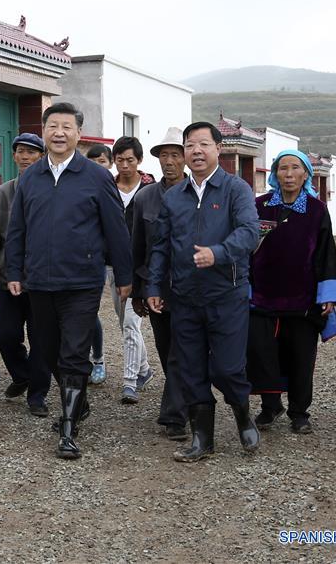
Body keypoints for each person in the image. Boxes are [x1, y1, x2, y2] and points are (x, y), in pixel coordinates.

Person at [5, 102, 133, 459]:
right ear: (44, 131)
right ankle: (79, 402)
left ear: (78, 134)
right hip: (40, 282)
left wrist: (125, 276)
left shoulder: (96, 177)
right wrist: (13, 271)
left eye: (66, 127)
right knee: (47, 350)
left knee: (74, 351)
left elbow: (116, 230)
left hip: (81, 282)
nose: (59, 133)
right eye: (52, 126)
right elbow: (17, 230)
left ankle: (68, 426)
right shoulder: (30, 177)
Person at [147, 121, 260, 462]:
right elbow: (160, 246)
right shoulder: (173, 197)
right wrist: (154, 285)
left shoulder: (235, 190)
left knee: (227, 368)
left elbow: (250, 232)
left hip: (227, 294)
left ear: (218, 149)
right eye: (190, 146)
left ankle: (243, 417)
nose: (196, 151)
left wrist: (219, 252)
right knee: (190, 368)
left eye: (203, 144)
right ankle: (202, 438)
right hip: (184, 298)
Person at [247, 150, 336, 435]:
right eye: (282, 169)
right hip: (262, 298)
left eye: (295, 168)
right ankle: (270, 406)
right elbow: (246, 248)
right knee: (264, 355)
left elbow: (326, 254)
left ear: (306, 175)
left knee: (301, 358)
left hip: (303, 300)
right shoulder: (259, 206)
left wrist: (327, 295)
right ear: (275, 174)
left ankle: (299, 412)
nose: (288, 174)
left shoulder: (316, 210)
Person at [0, 132, 52, 417]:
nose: (25, 156)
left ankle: (37, 395)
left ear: (42, 156)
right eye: (20, 151)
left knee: (42, 340)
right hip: (9, 281)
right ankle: (22, 374)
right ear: (13, 156)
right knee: (4, 334)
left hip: (42, 283)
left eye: (31, 152)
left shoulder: (51, 190)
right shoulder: (1, 195)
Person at [130, 126, 189, 439]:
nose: (169, 161)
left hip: (192, 289)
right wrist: (138, 291)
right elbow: (137, 247)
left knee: (182, 350)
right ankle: (186, 398)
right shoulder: (145, 198)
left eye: (175, 155)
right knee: (167, 351)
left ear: (186, 159)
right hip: (157, 290)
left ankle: (174, 416)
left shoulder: (199, 194)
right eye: (164, 155)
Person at [111, 136, 156, 403]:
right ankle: (145, 369)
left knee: (130, 322)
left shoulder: (150, 190)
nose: (125, 165)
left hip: (140, 266)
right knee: (124, 322)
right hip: (113, 265)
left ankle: (129, 382)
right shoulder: (107, 187)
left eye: (130, 160)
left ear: (139, 160)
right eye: (120, 160)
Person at [84, 143, 113, 385]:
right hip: (78, 260)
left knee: (90, 312)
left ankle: (99, 358)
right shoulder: (77, 188)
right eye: (92, 162)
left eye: (101, 162)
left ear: (110, 164)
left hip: (100, 261)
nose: (97, 167)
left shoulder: (108, 187)